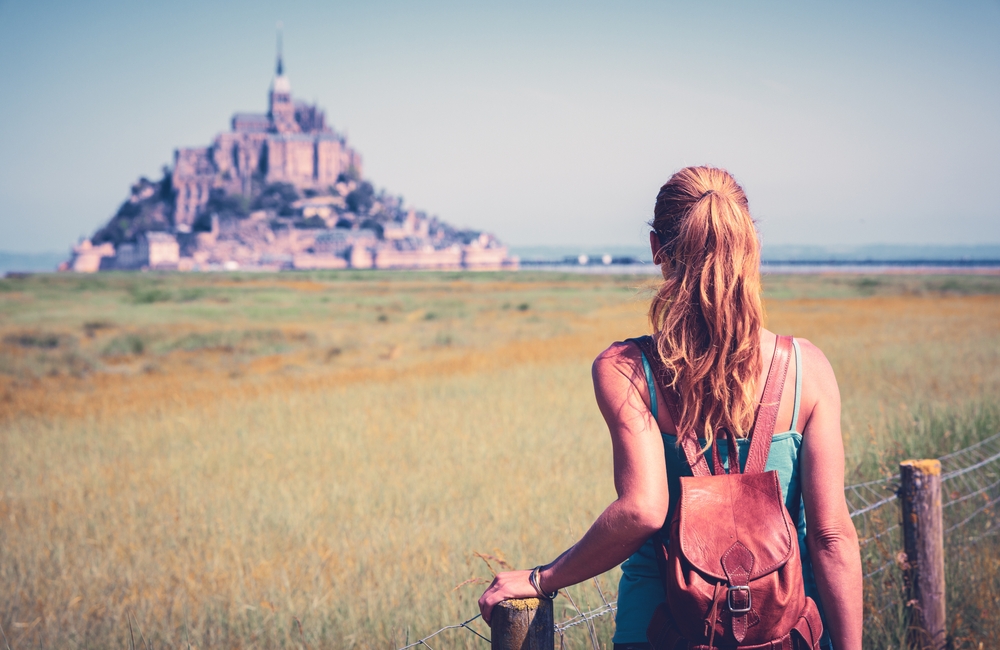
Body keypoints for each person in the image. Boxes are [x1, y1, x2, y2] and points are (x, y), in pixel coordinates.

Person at [478, 166, 862, 650]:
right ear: (750, 245)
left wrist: (542, 578)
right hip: (788, 630)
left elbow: (644, 509)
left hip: (660, 628)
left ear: (658, 248)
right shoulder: (809, 368)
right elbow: (831, 538)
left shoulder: (625, 369)